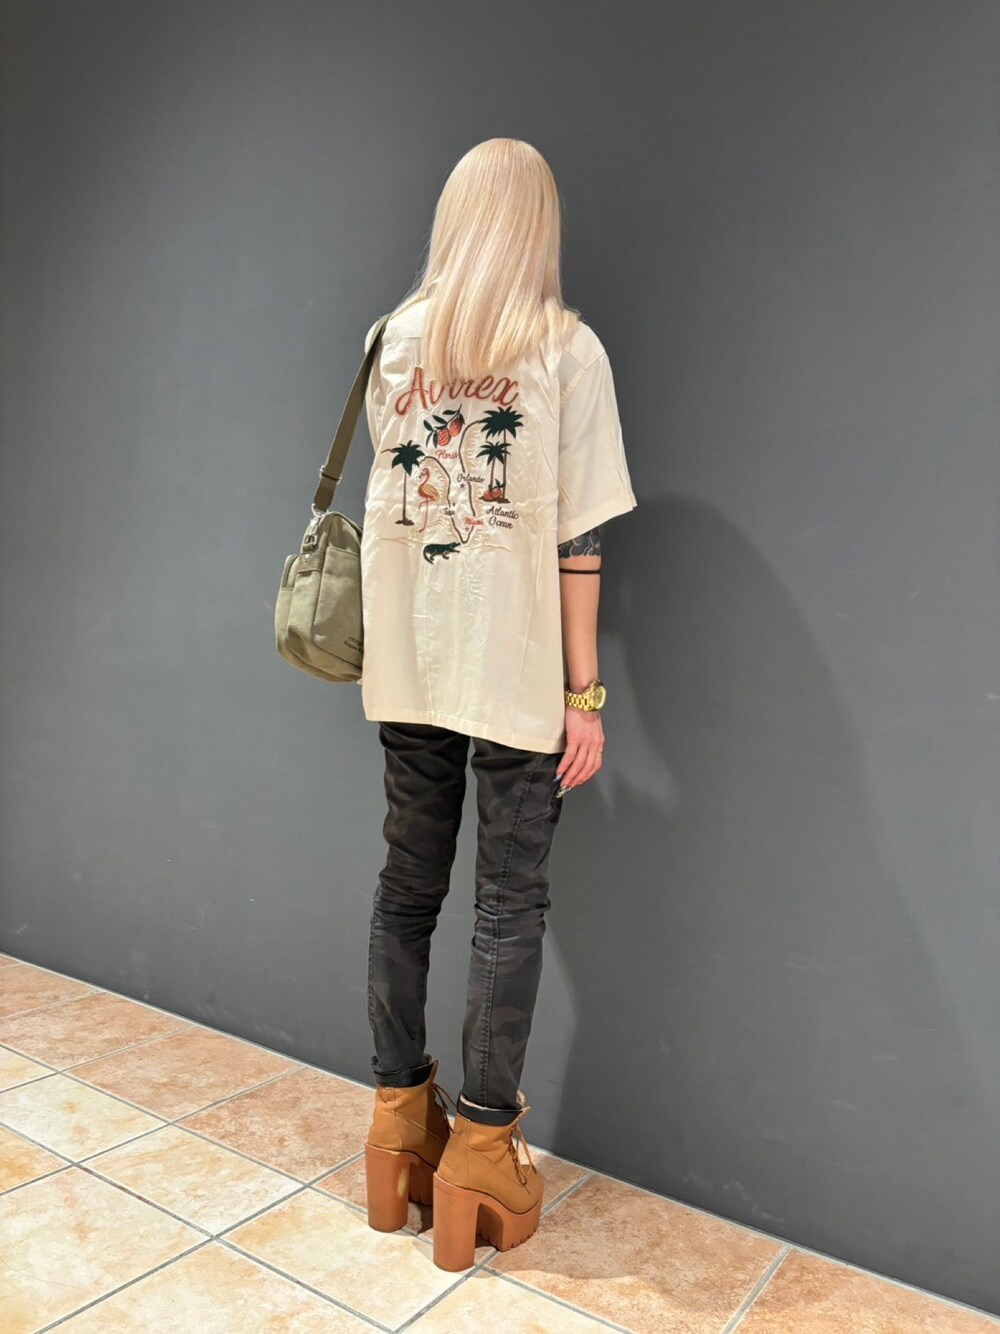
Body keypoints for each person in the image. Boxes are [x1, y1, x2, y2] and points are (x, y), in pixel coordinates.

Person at [359, 138, 638, 1271]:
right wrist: (585, 691)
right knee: (505, 904)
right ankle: (480, 1145)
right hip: (512, 666)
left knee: (406, 885)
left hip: (410, 659)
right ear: (538, 224)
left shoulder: (392, 339)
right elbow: (578, 540)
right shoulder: (567, 350)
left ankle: (395, 1123)